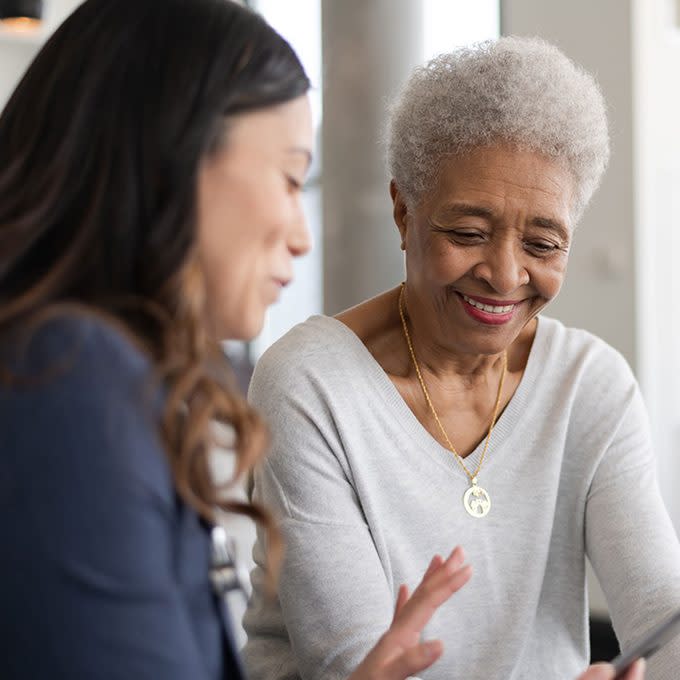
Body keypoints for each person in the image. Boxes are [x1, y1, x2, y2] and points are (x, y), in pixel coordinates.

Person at [243, 37, 672, 680]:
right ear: (403, 210)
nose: (504, 274)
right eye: (466, 233)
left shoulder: (591, 385)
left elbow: (664, 618)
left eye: (543, 243)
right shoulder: (310, 384)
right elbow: (356, 665)